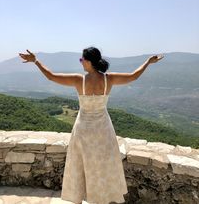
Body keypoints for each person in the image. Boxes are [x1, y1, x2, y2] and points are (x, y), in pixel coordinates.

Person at [19, 47, 164, 204]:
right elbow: (134, 76)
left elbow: (51, 77)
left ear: (88, 62)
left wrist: (36, 61)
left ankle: (81, 196)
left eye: (81, 60)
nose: (81, 63)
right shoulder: (109, 79)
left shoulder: (78, 80)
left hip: (83, 130)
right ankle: (101, 198)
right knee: (103, 166)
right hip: (103, 130)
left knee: (81, 165)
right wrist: (148, 62)